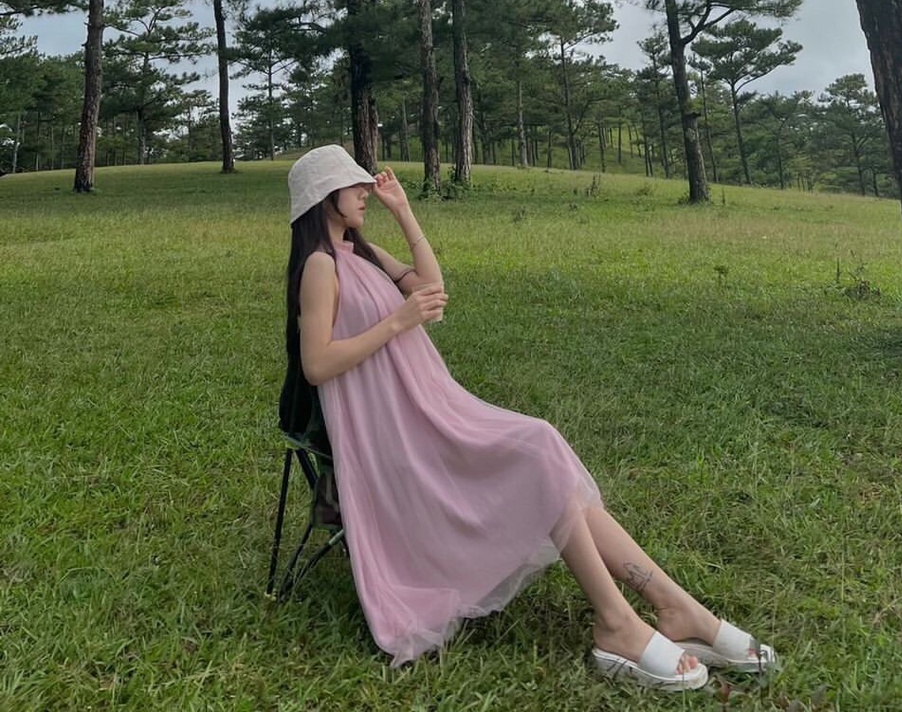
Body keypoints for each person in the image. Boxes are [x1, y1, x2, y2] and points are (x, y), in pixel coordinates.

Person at [280, 145, 777, 690]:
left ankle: (670, 608)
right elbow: (316, 364)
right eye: (353, 186)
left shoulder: (361, 252)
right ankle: (625, 621)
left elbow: (431, 288)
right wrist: (398, 322)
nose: (363, 192)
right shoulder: (320, 266)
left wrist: (404, 211)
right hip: (392, 432)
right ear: (325, 197)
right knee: (538, 447)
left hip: (429, 408)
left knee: (541, 450)